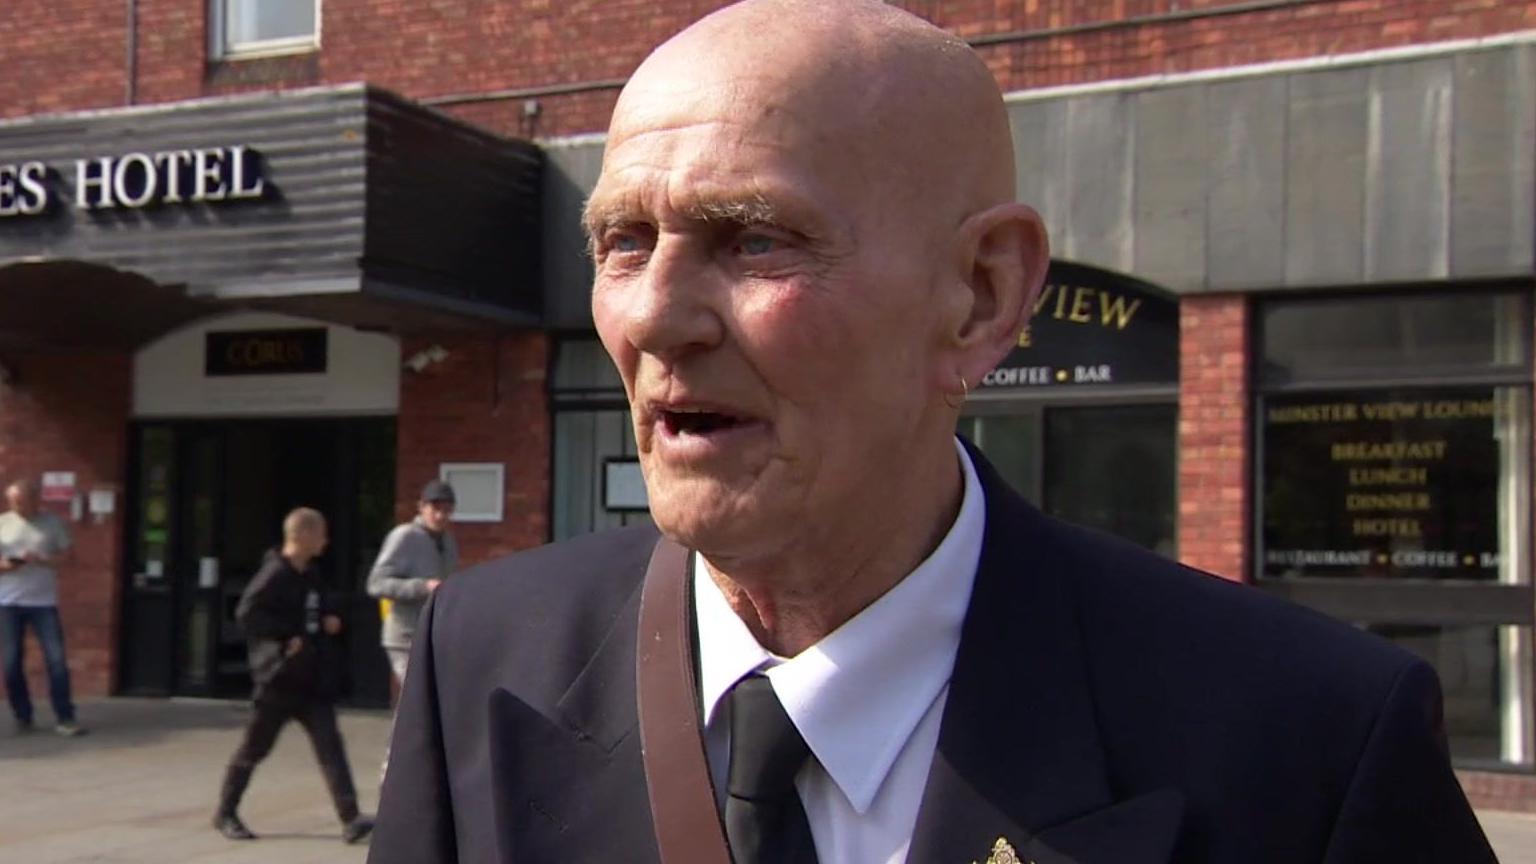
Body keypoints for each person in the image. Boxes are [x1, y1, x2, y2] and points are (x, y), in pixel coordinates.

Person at [371, 1, 1496, 862]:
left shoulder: (1310, 740)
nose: (655, 314)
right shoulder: (486, 657)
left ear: (978, 296)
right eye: (623, 240)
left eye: (754, 238)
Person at [213, 507, 373, 845]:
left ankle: (351, 818)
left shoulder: (310, 574)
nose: (325, 541)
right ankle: (225, 812)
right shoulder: (274, 574)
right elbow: (246, 613)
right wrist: (285, 637)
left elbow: (318, 606)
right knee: (255, 748)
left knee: (331, 746)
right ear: (300, 536)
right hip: (278, 680)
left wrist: (331, 618)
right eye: (320, 534)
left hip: (312, 681)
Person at [0, 479, 83, 737]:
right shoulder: (3, 522)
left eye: (21, 502)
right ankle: (23, 715)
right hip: (8, 603)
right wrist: (9, 566)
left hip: (43, 603)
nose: (17, 507)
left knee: (56, 660)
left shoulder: (52, 523)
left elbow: (69, 557)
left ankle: (65, 717)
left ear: (35, 499)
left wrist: (43, 560)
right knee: (11, 664)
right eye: (13, 502)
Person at [366, 479, 458, 691]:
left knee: (434, 700)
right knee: (417, 697)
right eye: (435, 508)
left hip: (434, 637)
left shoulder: (449, 542)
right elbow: (376, 584)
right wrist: (422, 587)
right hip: (405, 636)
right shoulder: (404, 536)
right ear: (422, 507)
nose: (440, 515)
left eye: (447, 510)